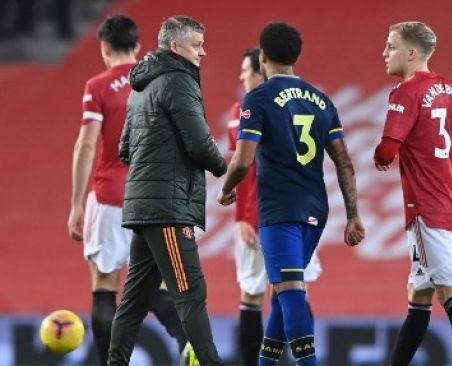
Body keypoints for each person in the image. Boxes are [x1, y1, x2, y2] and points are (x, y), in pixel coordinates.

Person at [218, 22, 365, 366]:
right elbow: (343, 160)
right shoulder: (321, 99)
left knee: (289, 291)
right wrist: (353, 213)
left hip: (278, 208)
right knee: (285, 290)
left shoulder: (258, 98)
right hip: (316, 207)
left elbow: (243, 160)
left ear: (263, 56)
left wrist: (226, 190)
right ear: (296, 56)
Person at [66, 15, 188, 365]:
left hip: (110, 197)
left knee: (106, 284)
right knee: (154, 287)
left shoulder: (98, 86)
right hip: (155, 198)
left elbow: (86, 146)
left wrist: (76, 205)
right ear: (137, 47)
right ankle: (188, 343)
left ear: (104, 49)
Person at [107, 15, 228, 366]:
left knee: (134, 300)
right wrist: (226, 171)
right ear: (175, 47)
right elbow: (199, 143)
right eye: (197, 45)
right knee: (190, 292)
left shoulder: (141, 86)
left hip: (144, 204)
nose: (203, 52)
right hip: (169, 207)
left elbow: (125, 149)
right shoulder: (178, 80)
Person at [374, 21, 452, 366]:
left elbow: (387, 150)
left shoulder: (405, 93)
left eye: (391, 46)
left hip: (429, 209)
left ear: (412, 53)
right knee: (419, 294)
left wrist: (380, 155)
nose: (384, 52)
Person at [227, 47, 324, 366]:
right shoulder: (302, 103)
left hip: (265, 215)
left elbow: (245, 167)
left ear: (262, 69)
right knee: (293, 290)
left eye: (245, 71)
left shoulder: (246, 108)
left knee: (260, 293)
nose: (241, 77)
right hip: (300, 212)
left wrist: (243, 216)